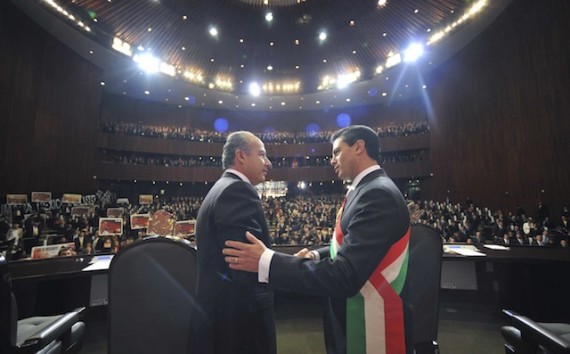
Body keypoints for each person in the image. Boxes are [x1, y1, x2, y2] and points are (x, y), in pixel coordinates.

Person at [223, 125, 412, 354]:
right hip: (354, 315)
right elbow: (348, 246)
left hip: (373, 326)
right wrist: (316, 254)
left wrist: (267, 261)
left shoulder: (377, 195)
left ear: (359, 147)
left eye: (336, 152)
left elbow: (345, 275)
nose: (332, 160)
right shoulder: (364, 189)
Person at [191, 131, 275, 354]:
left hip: (223, 318)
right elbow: (246, 265)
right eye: (262, 155)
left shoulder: (221, 187)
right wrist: (282, 266)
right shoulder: (237, 190)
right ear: (241, 156)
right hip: (240, 325)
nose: (268, 162)